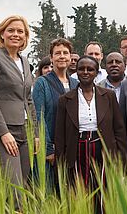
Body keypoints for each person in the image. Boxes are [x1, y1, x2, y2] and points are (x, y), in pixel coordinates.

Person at [55, 55, 127, 213]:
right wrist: (61, 162)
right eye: (81, 69)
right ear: (76, 71)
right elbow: (60, 134)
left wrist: (122, 158)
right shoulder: (65, 99)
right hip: (77, 149)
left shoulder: (108, 96)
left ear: (96, 72)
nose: (85, 72)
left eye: (90, 69)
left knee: (103, 189)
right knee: (80, 189)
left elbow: (119, 129)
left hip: (102, 148)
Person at [0, 15, 39, 206]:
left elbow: (28, 99)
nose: (15, 34)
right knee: (14, 193)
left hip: (24, 131)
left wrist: (35, 133)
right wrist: (3, 132)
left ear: (26, 36)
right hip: (4, 133)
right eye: (10, 30)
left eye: (20, 31)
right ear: (1, 34)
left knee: (22, 186)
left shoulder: (25, 61)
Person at [32, 38, 79, 189]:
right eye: (57, 53)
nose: (62, 56)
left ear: (71, 57)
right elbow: (38, 116)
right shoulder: (42, 83)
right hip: (51, 148)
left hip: (71, 147)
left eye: (65, 53)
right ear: (51, 58)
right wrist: (49, 149)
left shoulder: (75, 84)